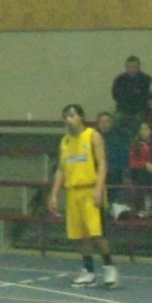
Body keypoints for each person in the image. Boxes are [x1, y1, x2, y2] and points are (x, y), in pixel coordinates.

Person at [53, 102, 117, 288]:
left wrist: (99, 187)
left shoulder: (92, 136)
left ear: (81, 116)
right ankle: (88, 271)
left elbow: (103, 163)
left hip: (90, 189)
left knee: (98, 233)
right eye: (66, 116)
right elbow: (61, 169)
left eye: (72, 115)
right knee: (82, 235)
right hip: (73, 191)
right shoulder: (65, 141)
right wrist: (55, 194)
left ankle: (109, 267)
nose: (69, 119)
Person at [111, 55, 152, 135]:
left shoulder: (146, 79)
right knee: (115, 119)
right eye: (129, 67)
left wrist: (130, 96)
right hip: (122, 110)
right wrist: (134, 95)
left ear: (139, 67)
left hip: (140, 110)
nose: (132, 69)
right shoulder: (119, 79)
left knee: (142, 121)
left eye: (135, 67)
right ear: (126, 67)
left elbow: (146, 97)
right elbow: (115, 96)